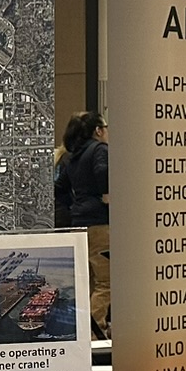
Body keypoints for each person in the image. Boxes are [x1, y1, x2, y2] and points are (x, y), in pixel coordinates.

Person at [63, 110, 110, 338]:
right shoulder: (99, 150)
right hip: (99, 224)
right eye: (105, 128)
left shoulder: (73, 155)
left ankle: (83, 331)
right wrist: (106, 193)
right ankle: (93, 333)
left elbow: (60, 187)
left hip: (79, 224)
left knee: (88, 283)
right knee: (107, 282)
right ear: (98, 130)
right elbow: (103, 172)